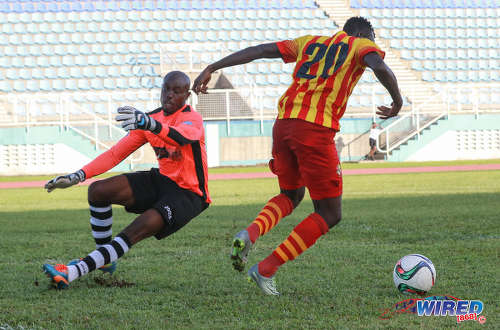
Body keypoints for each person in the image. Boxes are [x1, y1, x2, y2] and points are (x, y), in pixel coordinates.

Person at [193, 16, 402, 295]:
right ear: (365, 34)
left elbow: (259, 51)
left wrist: (213, 67)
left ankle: (250, 233)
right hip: (315, 129)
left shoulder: (309, 43)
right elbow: (380, 67)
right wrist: (397, 101)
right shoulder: (360, 44)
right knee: (329, 213)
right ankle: (266, 269)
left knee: (291, 195)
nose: (372, 45)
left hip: (284, 124)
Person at [42, 71, 211, 289]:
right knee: (98, 191)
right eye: (165, 89)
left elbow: (180, 136)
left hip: (190, 194)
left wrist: (150, 124)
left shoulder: (192, 118)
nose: (169, 95)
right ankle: (105, 261)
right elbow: (115, 154)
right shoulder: (152, 119)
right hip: (162, 180)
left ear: (186, 96)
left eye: (176, 91)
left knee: (135, 230)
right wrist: (78, 176)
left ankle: (73, 272)